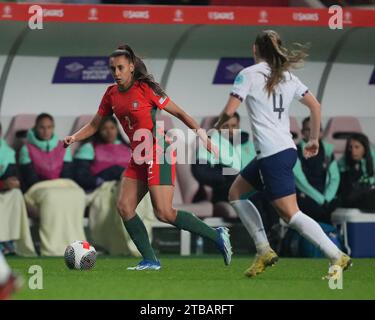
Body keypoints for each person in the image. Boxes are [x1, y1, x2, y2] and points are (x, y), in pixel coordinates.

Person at [64, 44, 232, 270]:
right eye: (112, 68)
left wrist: (205, 138)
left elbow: (180, 113)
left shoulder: (146, 89)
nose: (116, 73)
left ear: (131, 67)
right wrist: (74, 137)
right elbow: (95, 124)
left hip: (159, 151)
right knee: (124, 207)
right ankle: (151, 260)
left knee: (164, 212)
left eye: (120, 68)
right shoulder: (111, 94)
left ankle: (216, 235)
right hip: (139, 155)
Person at [214, 30, 351, 278]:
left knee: (291, 214)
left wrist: (214, 127)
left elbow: (229, 110)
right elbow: (315, 105)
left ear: (255, 49)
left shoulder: (247, 75)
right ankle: (263, 250)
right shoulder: (288, 76)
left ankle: (336, 255)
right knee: (236, 193)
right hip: (283, 150)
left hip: (272, 154)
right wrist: (313, 139)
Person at [74, 116, 155, 256]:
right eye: (104, 129)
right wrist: (108, 174)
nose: (109, 132)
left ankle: (139, 243)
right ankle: (127, 246)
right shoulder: (89, 148)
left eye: (112, 128)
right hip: (105, 187)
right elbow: (81, 177)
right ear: (98, 131)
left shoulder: (128, 148)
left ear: (117, 129)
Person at [18, 113, 87, 256]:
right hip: (37, 190)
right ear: (36, 128)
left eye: (49, 127)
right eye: (42, 127)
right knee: (51, 197)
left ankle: (77, 246)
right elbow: (30, 179)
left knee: (77, 194)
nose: (45, 131)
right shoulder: (27, 149)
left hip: (62, 186)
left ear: (53, 128)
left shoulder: (63, 146)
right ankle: (53, 248)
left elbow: (67, 175)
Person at [192, 112, 256, 203]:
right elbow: (201, 171)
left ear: (238, 126)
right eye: (226, 126)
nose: (230, 130)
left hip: (251, 187)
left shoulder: (249, 145)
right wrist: (229, 176)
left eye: (234, 126)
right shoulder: (210, 144)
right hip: (225, 190)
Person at [293, 116, 340, 223]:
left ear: (321, 132)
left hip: (326, 197)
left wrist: (327, 198)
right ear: (302, 132)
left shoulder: (327, 151)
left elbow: (334, 178)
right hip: (306, 196)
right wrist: (320, 200)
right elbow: (299, 181)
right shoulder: (295, 151)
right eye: (308, 129)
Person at [0, 123, 36, 257]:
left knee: (15, 194)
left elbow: (11, 176)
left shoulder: (7, 153)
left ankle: (8, 242)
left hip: (3, 190)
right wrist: (3, 184)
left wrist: (11, 183)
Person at [338, 133, 375, 211]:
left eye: (357, 147)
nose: (353, 151)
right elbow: (345, 191)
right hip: (351, 197)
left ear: (365, 148)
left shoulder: (371, 160)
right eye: (350, 147)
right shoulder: (342, 163)